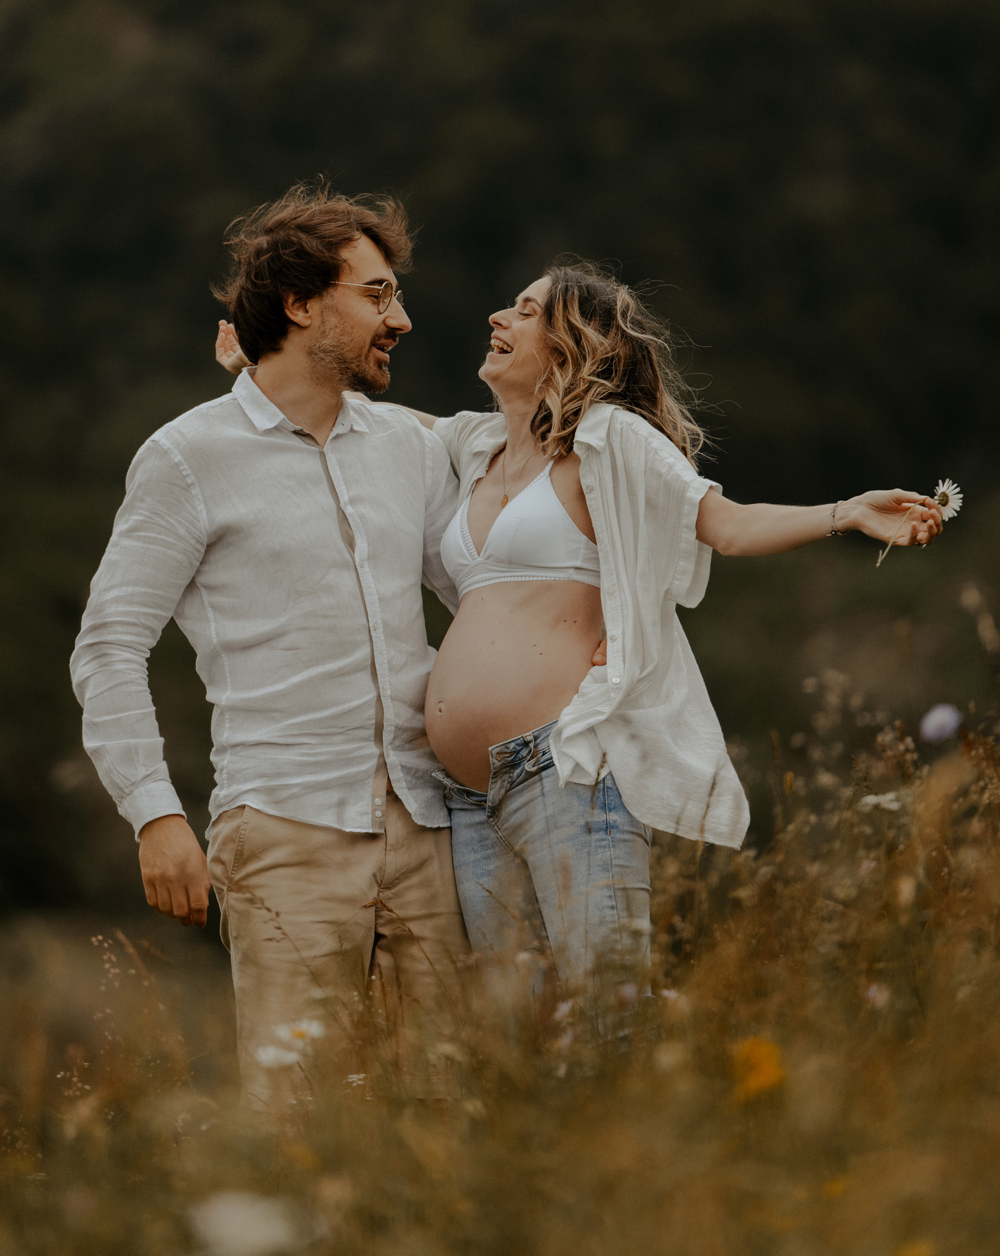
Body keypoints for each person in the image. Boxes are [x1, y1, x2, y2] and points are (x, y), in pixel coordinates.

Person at [217, 261, 943, 1019]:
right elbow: (375, 423)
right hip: (468, 795)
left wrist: (845, 511)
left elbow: (724, 522)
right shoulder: (474, 448)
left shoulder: (608, 441)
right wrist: (264, 367)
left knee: (609, 1013)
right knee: (515, 1030)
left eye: (525, 310)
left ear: (571, 345)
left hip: (563, 771)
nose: (499, 316)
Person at [71, 185, 471, 1114]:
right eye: (376, 294)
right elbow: (108, 644)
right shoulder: (185, 456)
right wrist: (155, 813)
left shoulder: (409, 448)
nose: (400, 318)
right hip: (283, 830)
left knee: (462, 1107)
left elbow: (480, 597)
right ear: (299, 304)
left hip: (432, 825)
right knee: (302, 1119)